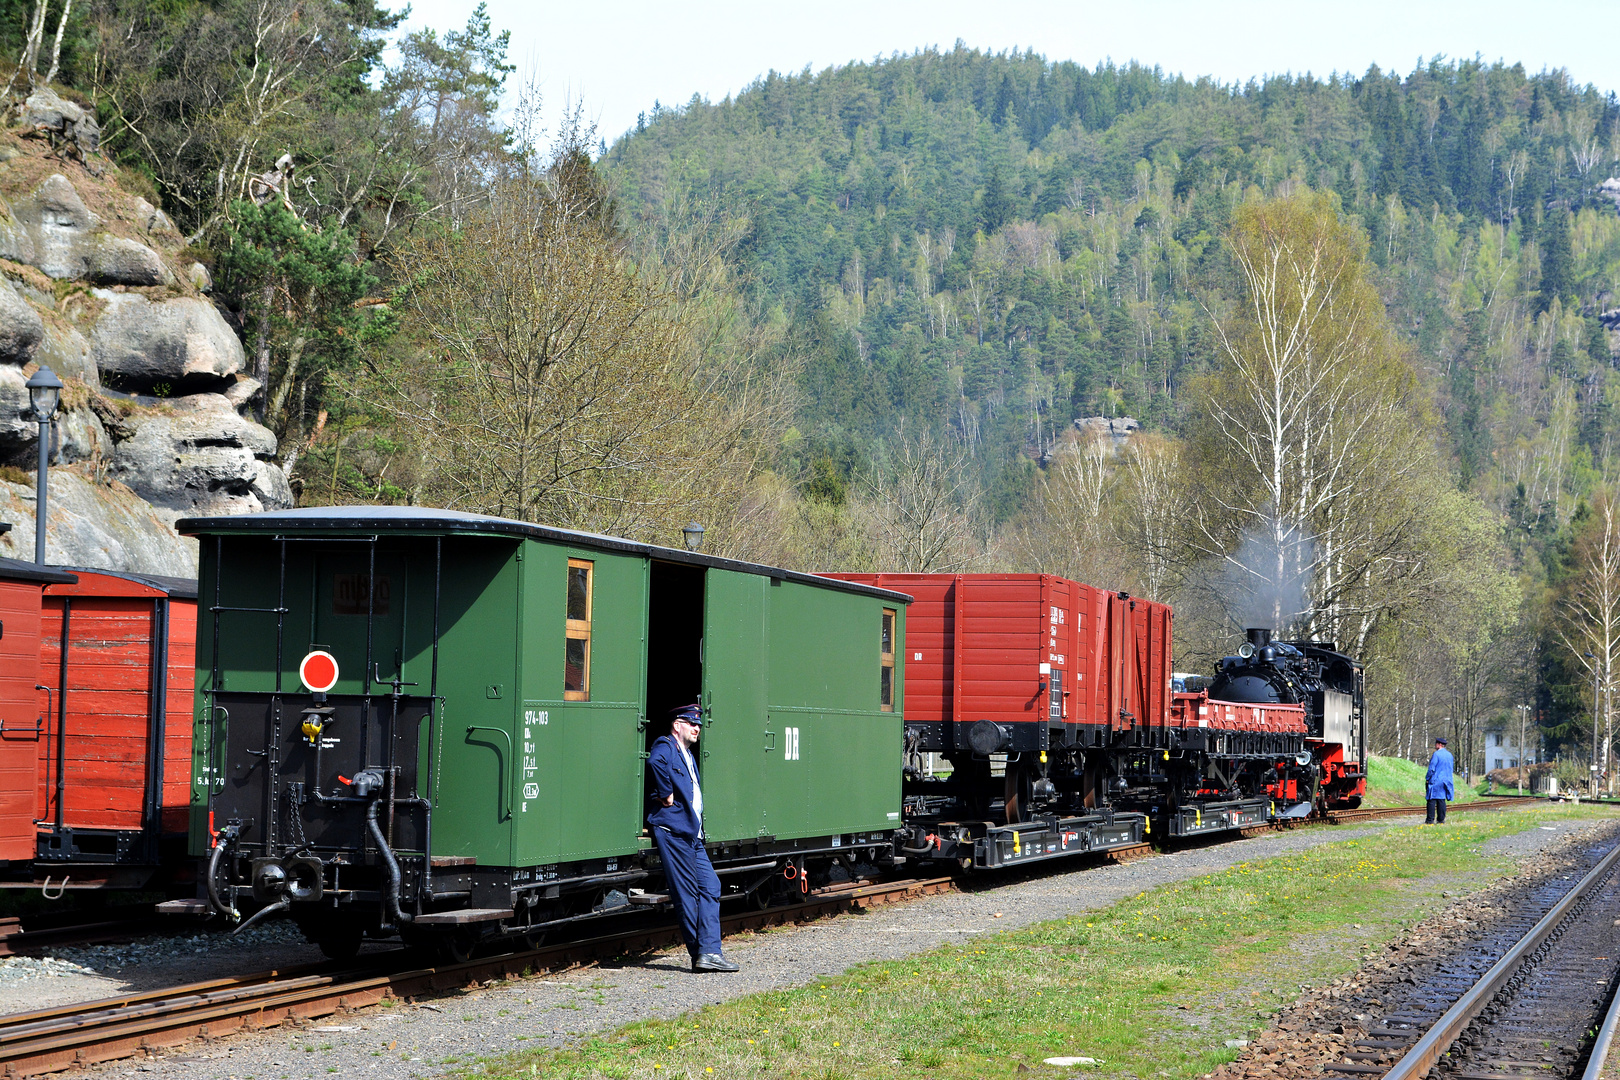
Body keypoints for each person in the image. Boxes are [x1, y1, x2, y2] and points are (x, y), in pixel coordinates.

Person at [647, 704, 738, 973]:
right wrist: (666, 792)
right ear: (678, 726)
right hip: (674, 833)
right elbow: (654, 762)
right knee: (687, 895)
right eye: (691, 724)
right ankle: (700, 953)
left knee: (711, 886)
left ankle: (710, 952)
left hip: (692, 834)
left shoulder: (687, 754)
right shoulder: (666, 746)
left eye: (698, 724)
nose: (697, 728)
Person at [1425, 736, 1455, 824]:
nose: (1435, 745)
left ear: (1440, 745)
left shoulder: (1436, 754)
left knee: (1431, 799)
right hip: (1446, 780)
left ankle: (1430, 820)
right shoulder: (1450, 755)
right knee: (1441, 800)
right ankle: (1441, 819)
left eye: (1436, 743)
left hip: (1436, 780)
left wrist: (1427, 778)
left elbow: (1432, 768)